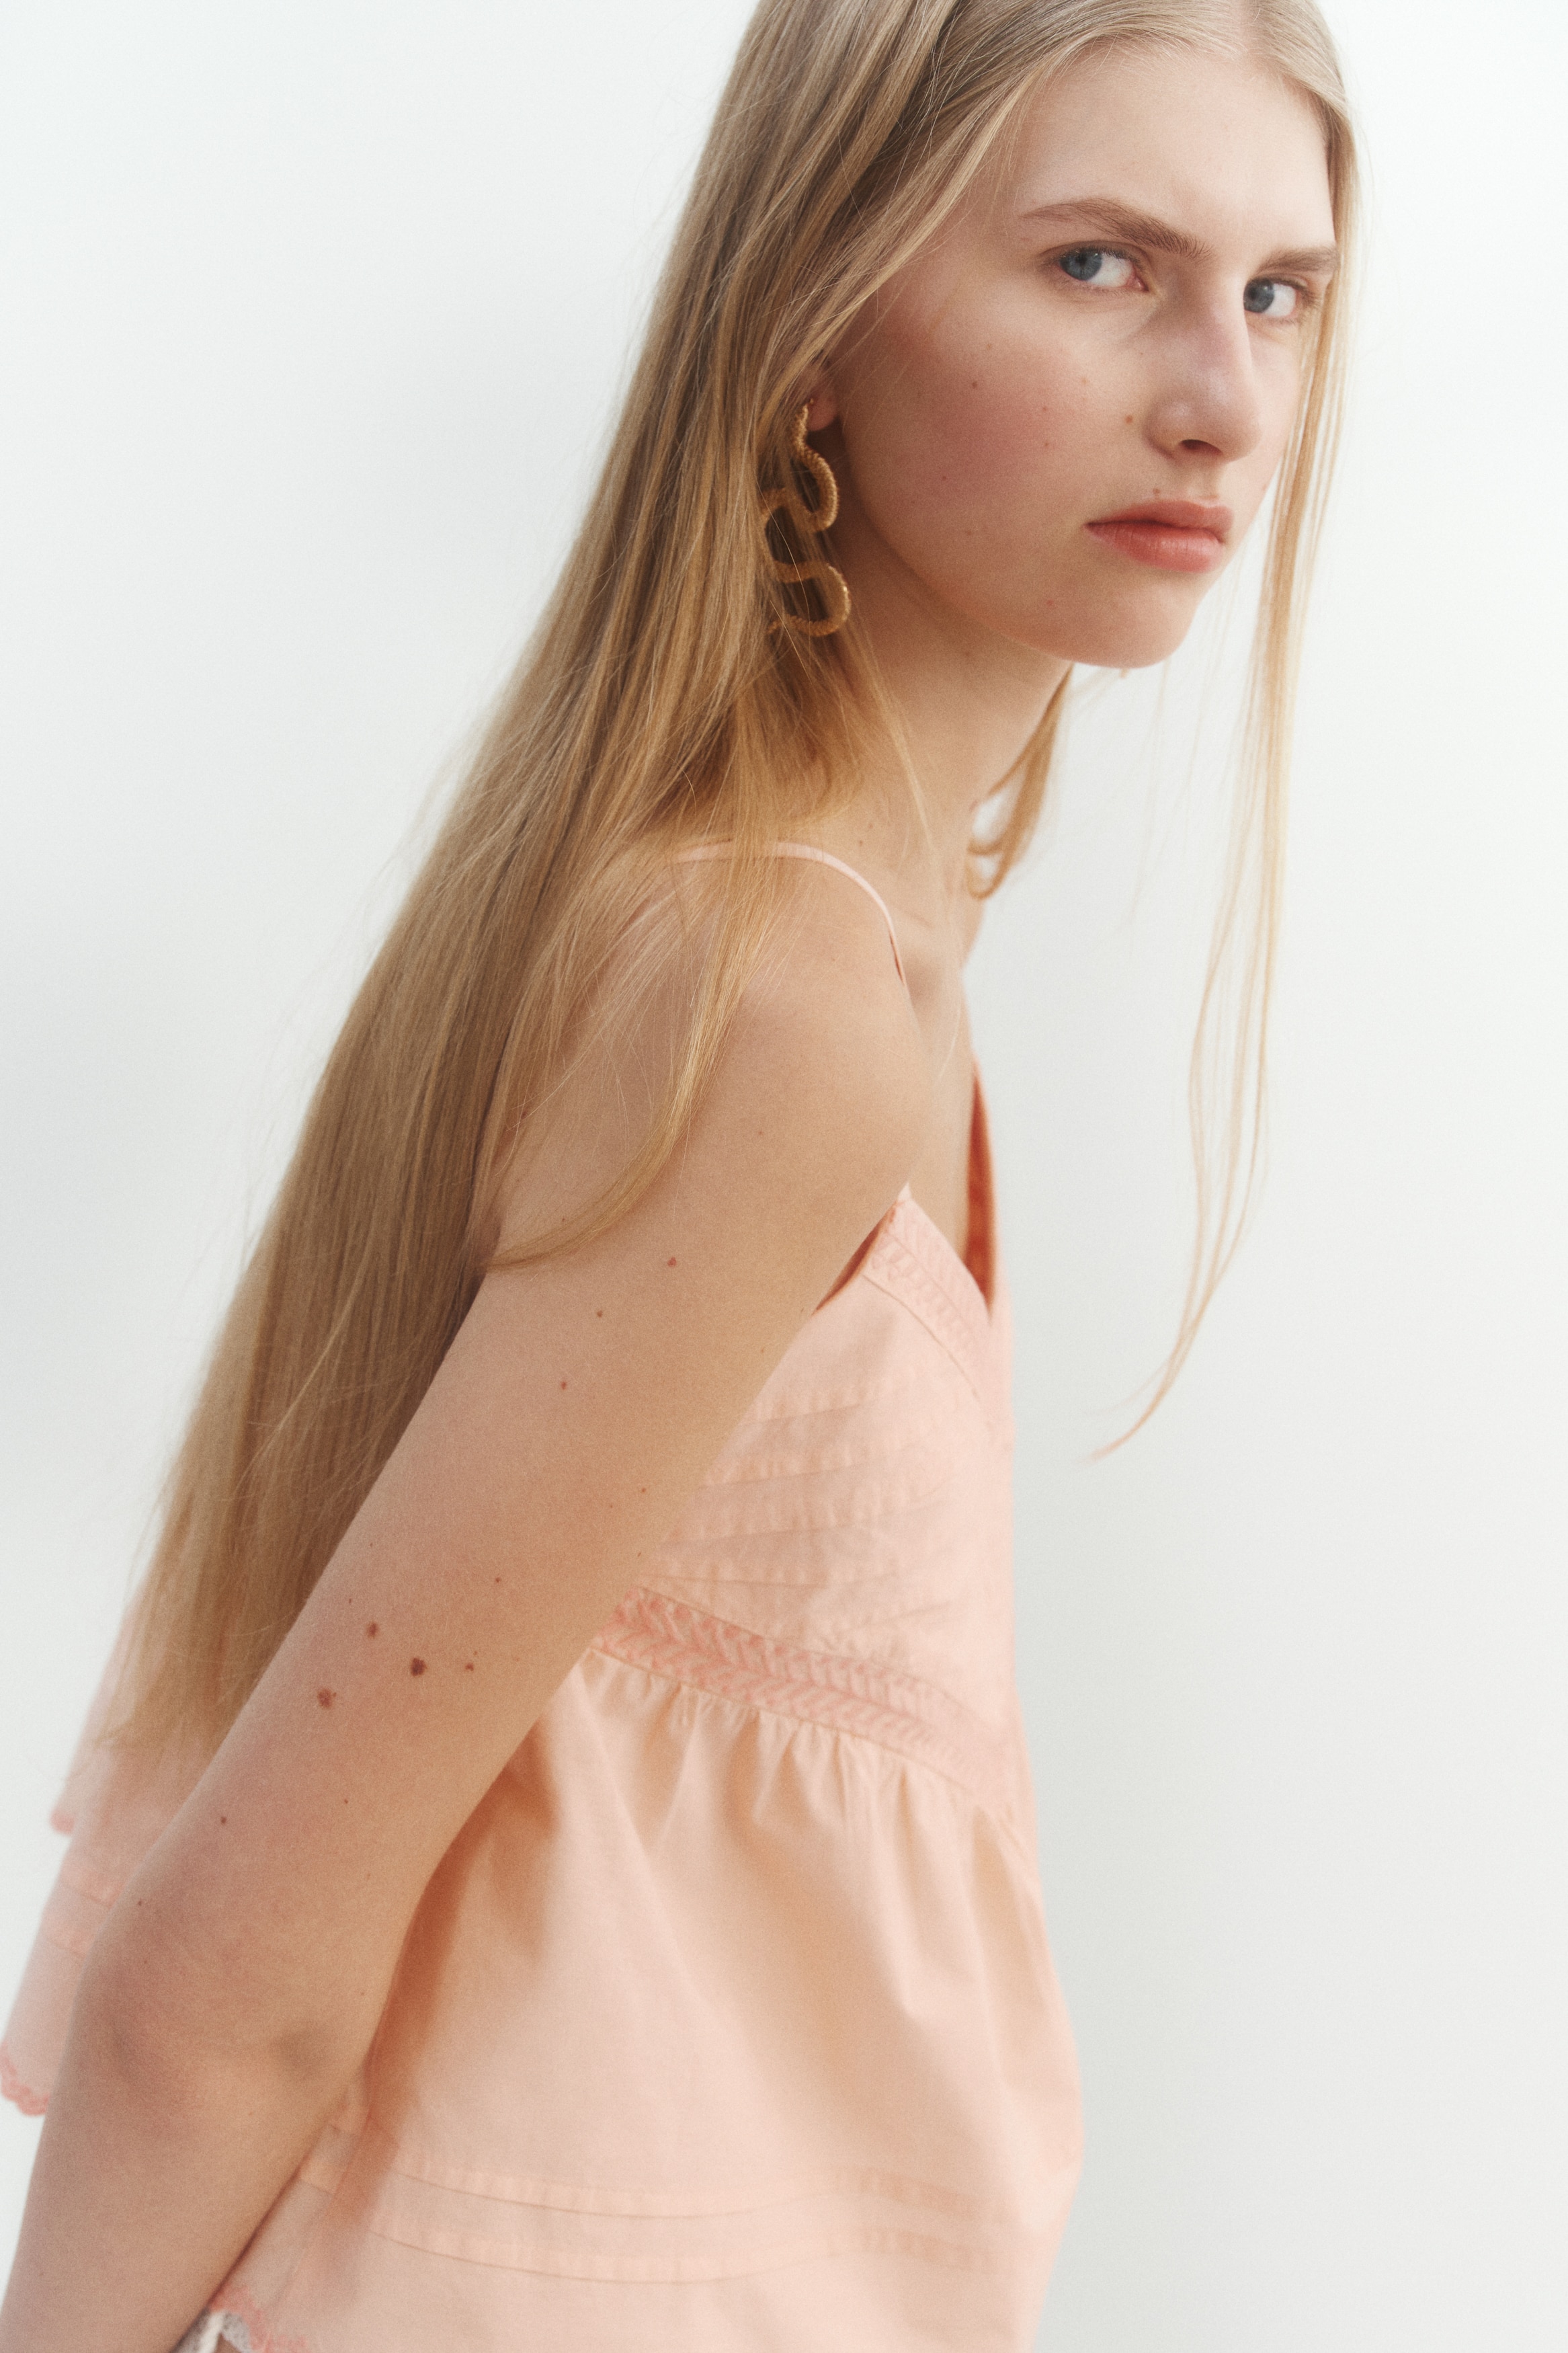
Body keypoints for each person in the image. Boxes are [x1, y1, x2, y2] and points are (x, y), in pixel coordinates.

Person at [0, 2, 1356, 2346]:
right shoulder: (783, 994)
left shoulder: (836, 930)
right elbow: (224, 1989)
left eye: (1278, 291)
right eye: (1099, 265)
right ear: (815, 315)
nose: (1224, 398)